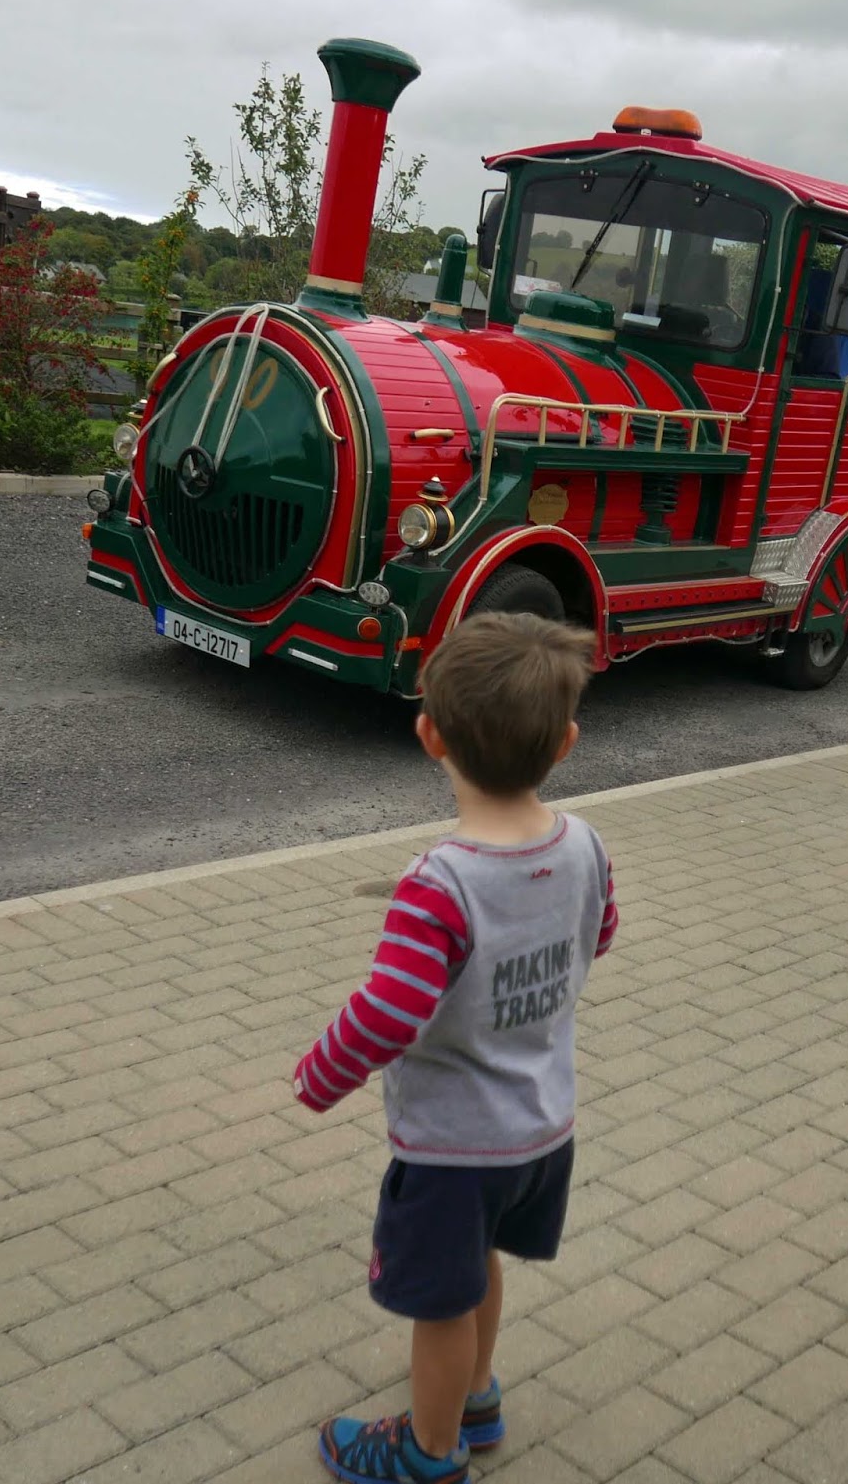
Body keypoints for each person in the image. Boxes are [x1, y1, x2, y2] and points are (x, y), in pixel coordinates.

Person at [292, 612, 618, 1484]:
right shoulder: (585, 845)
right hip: (542, 1131)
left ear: (429, 732)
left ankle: (428, 1454)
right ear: (567, 742)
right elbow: (602, 932)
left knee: (437, 1304)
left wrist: (321, 1074)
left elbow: (389, 1011)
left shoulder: (439, 885)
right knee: (477, 1268)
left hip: (453, 1147)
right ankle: (475, 1396)